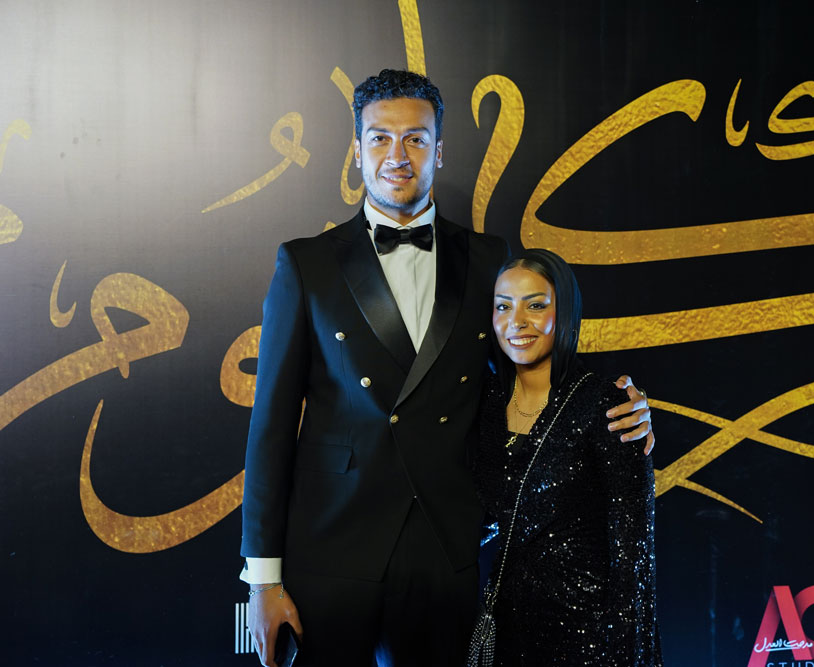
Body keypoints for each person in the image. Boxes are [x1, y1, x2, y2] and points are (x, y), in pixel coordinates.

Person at [240, 69, 654, 667]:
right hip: (332, 546)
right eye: (380, 138)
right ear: (356, 150)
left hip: (446, 546)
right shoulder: (305, 264)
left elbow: (528, 361)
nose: (397, 156)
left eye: (416, 139)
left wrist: (615, 402)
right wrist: (263, 579)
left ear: (440, 150)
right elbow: (271, 427)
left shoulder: (486, 257)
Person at [472, 249, 661, 665]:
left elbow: (634, 553)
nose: (516, 321)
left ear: (567, 313)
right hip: (506, 629)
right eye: (503, 306)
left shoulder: (608, 405)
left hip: (587, 635)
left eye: (535, 305)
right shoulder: (482, 404)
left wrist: (624, 652)